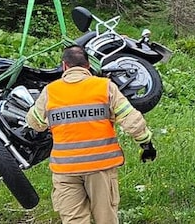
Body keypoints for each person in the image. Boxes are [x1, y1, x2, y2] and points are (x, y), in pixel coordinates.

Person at [26, 45, 157, 224]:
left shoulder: (51, 91)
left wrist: (50, 121)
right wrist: (146, 144)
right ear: (88, 66)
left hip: (66, 170)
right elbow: (131, 119)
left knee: (74, 220)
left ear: (64, 66)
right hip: (100, 168)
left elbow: (35, 123)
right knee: (105, 219)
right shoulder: (104, 87)